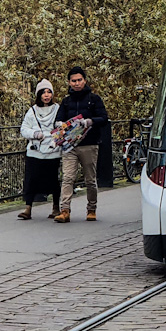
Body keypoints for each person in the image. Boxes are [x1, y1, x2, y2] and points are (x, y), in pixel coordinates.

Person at [54, 66, 110, 222]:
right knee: (67, 177)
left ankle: (91, 209)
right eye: (73, 81)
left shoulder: (94, 99)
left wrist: (90, 121)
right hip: (70, 146)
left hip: (89, 144)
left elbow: (104, 118)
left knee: (90, 179)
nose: (77, 83)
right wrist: (59, 124)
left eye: (79, 80)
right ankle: (65, 210)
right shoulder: (66, 101)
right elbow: (58, 119)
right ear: (69, 82)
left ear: (84, 80)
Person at [18, 79, 62, 220]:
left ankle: (56, 207)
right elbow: (24, 129)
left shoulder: (57, 109)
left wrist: (57, 135)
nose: (46, 95)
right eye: (43, 92)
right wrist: (34, 135)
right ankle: (28, 208)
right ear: (38, 95)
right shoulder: (32, 111)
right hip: (35, 150)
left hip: (52, 151)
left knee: (53, 179)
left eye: (49, 92)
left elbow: (62, 126)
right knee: (31, 179)